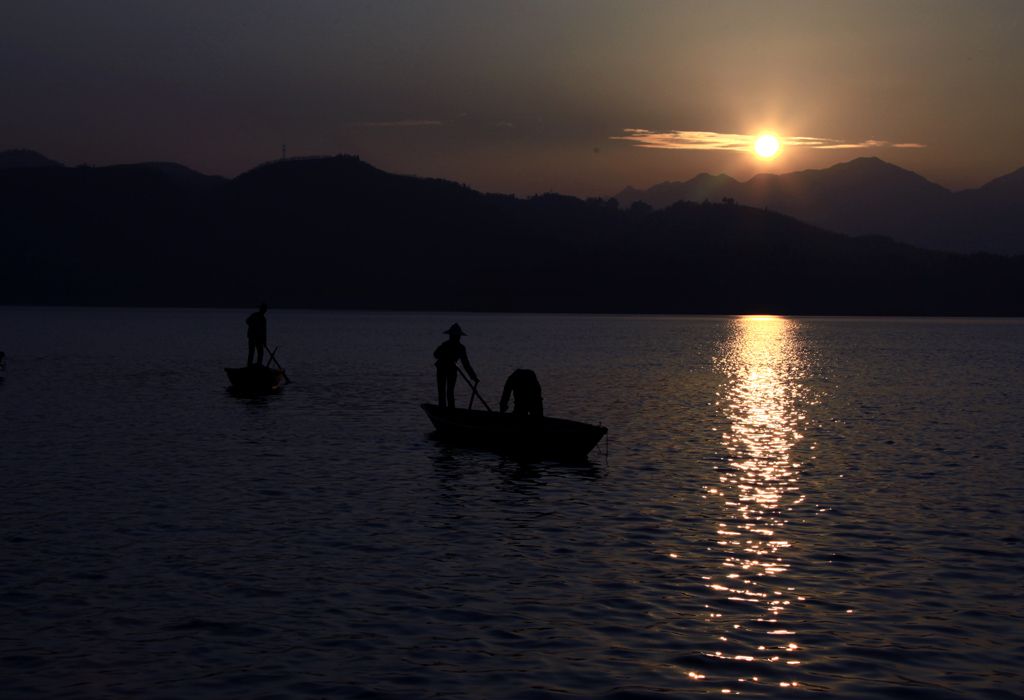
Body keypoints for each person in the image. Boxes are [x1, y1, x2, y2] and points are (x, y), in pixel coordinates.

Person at [433, 323, 477, 408]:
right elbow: (435, 355)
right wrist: (444, 355)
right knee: (442, 392)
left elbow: (466, 364)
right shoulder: (445, 345)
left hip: (452, 371)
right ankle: (443, 409)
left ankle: (451, 410)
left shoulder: (460, 348)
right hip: (442, 369)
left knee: (449, 393)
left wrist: (473, 377)